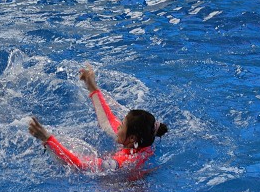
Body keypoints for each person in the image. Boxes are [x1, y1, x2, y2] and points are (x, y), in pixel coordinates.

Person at [28, 64, 168, 173]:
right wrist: (92, 88)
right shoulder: (145, 140)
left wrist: (48, 139)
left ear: (132, 138)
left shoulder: (122, 162)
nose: (118, 126)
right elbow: (108, 121)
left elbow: (80, 166)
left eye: (122, 125)